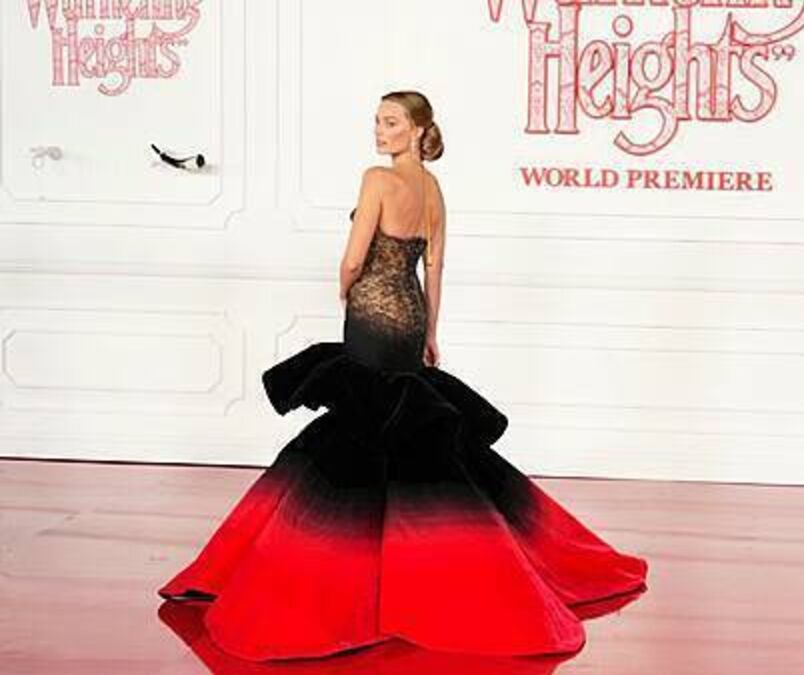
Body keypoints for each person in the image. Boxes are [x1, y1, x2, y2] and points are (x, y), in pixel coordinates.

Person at [156, 90, 649, 662]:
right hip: (411, 317)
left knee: (360, 427)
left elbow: (353, 258)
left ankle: (341, 574)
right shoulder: (434, 191)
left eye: (390, 122)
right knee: (402, 425)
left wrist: (345, 286)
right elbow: (434, 270)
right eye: (376, 121)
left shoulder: (377, 180)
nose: (378, 130)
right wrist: (431, 332)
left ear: (417, 130)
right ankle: (417, 567)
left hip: (371, 314)